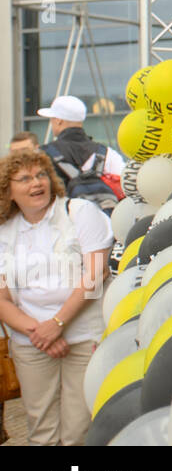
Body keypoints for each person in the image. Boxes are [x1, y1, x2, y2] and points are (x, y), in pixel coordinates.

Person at [0, 150, 112, 445]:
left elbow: (96, 276)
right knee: (42, 433)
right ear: (8, 190)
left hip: (85, 336)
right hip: (31, 343)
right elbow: (2, 299)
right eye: (24, 178)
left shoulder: (78, 212)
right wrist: (41, 332)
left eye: (40, 175)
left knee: (78, 431)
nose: (36, 183)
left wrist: (59, 322)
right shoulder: (5, 231)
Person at [37, 96, 123, 210]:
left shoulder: (43, 154)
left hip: (61, 222)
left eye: (52, 119)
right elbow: (124, 188)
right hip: (102, 222)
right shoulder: (108, 153)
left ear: (59, 121)